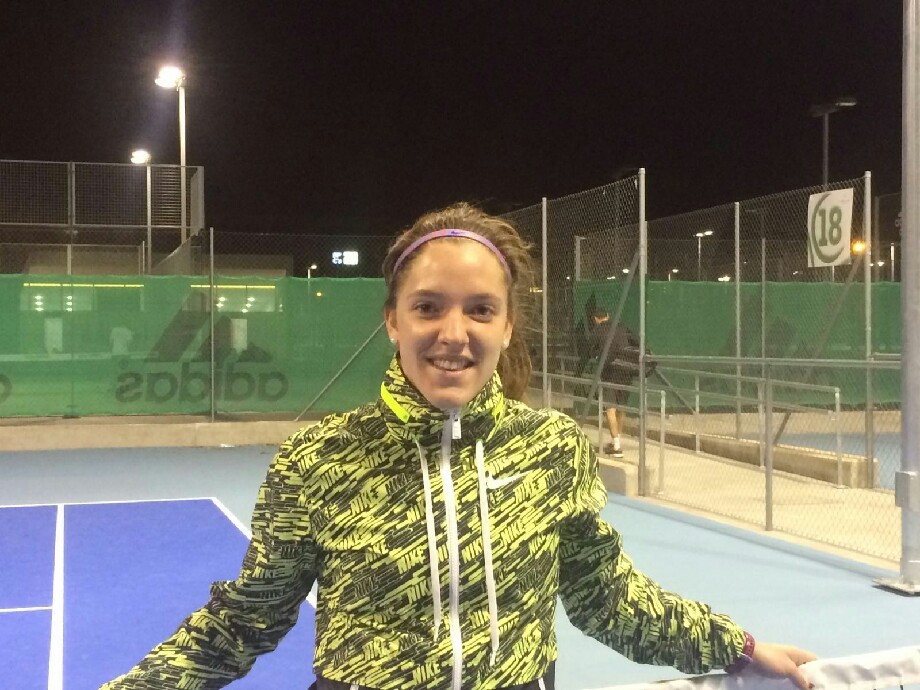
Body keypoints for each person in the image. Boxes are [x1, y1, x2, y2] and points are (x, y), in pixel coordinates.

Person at [102, 203, 815, 690]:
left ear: (506, 326)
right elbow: (244, 620)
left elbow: (607, 598)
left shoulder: (553, 447)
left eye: (480, 310)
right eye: (428, 307)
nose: (453, 332)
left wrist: (739, 647)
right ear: (393, 321)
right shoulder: (317, 460)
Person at [587, 310, 651, 459]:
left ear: (596, 319)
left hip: (609, 372)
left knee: (610, 409)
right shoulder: (621, 327)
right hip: (625, 371)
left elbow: (590, 349)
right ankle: (616, 440)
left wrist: (597, 355)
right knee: (621, 407)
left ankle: (616, 446)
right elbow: (638, 342)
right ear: (608, 316)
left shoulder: (598, 330)